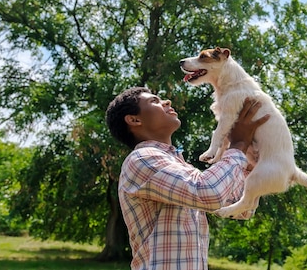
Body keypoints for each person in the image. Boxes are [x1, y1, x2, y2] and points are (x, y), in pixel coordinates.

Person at [106, 86, 269, 270]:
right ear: (134, 120)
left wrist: (249, 164)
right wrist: (238, 145)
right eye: (154, 101)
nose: (166, 101)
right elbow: (209, 192)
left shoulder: (179, 166)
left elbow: (242, 209)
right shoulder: (142, 159)